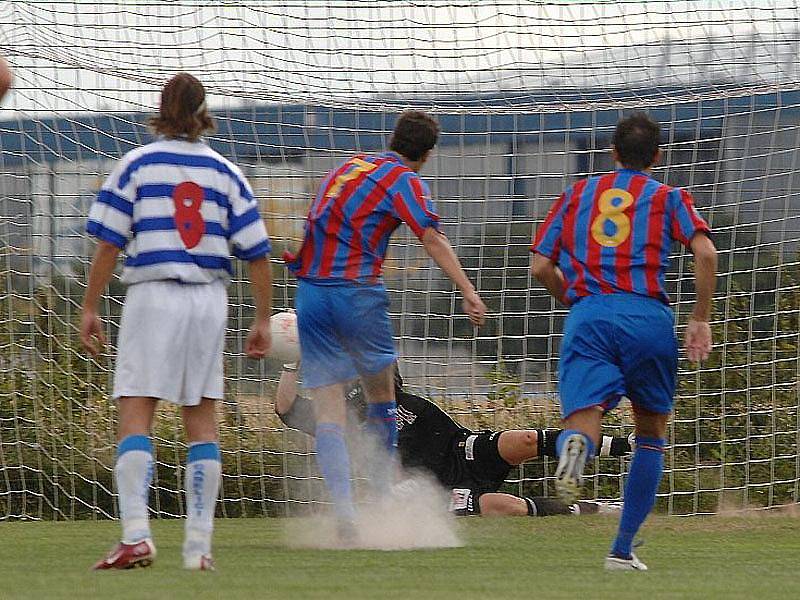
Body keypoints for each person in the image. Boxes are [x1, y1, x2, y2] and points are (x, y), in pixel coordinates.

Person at [81, 73, 273, 571]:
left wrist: (90, 306)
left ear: (160, 110)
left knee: (136, 408)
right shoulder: (226, 172)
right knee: (201, 419)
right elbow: (257, 252)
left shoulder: (137, 164)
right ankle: (198, 548)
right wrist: (262, 318)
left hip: (154, 293)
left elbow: (108, 241)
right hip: (210, 299)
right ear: (203, 111)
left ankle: (137, 536)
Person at [284, 110, 487, 539]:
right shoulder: (405, 180)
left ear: (393, 139)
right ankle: (380, 500)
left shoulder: (348, 167)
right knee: (381, 396)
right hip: (356, 293)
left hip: (311, 294)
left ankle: (343, 511)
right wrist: (468, 290)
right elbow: (430, 236)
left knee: (328, 406)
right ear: (427, 155)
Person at [531, 112, 717, 571]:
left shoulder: (576, 195)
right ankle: (621, 548)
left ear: (611, 152)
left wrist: (572, 297)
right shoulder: (670, 197)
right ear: (656, 156)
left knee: (585, 415)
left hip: (591, 314)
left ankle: (576, 447)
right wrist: (699, 318)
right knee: (651, 434)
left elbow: (539, 265)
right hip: (648, 317)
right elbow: (706, 252)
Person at [275, 363, 630, 518]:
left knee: (520, 439)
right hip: (431, 489)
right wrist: (292, 363)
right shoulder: (344, 418)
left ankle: (623, 445)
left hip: (462, 450)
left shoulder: (395, 392)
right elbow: (286, 408)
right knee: (503, 506)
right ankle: (593, 509)